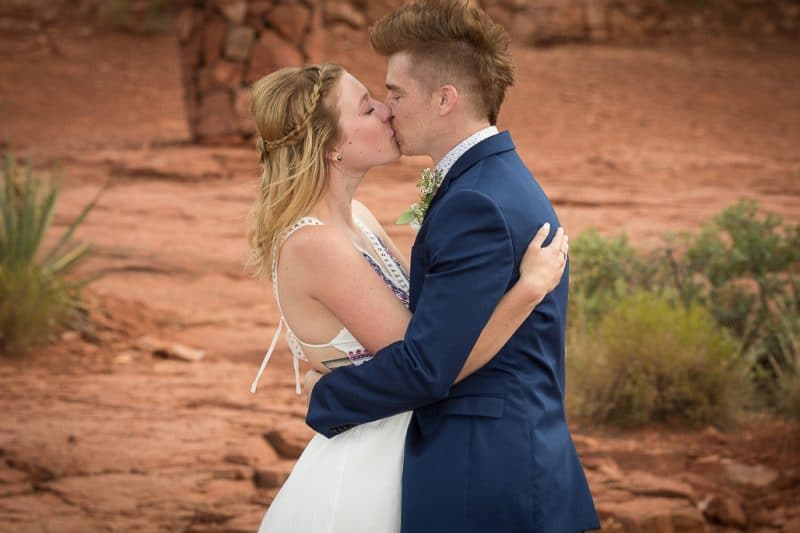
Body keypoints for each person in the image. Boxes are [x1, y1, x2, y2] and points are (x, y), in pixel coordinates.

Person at [303, 1, 600, 532]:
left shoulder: (477, 203)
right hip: (505, 466)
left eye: (395, 94)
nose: (387, 110)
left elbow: (428, 366)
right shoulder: (486, 182)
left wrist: (328, 396)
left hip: (484, 479)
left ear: (444, 99)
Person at [247, 62, 569, 531]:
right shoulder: (316, 245)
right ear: (332, 145)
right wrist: (527, 291)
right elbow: (430, 364)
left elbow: (431, 335)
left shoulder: (359, 218)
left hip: (411, 444)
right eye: (366, 107)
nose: (386, 110)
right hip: (369, 466)